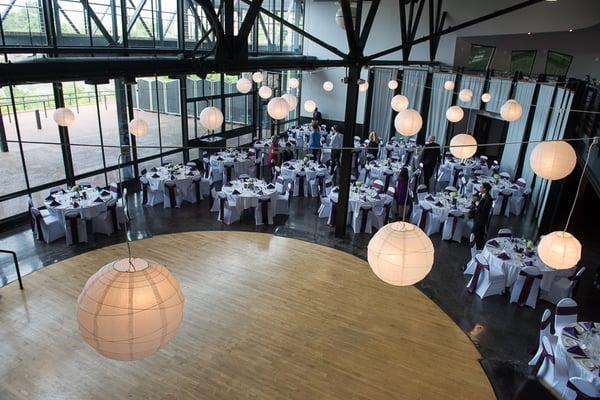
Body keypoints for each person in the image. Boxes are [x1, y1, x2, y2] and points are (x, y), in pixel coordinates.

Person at [470, 182, 493, 249]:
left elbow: (483, 210)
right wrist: (473, 201)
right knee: (479, 233)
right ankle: (478, 243)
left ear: (484, 189)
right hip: (477, 216)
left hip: (481, 219)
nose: (480, 188)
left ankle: (476, 246)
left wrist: (477, 203)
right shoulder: (481, 195)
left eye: (481, 187)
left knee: (473, 233)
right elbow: (476, 204)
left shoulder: (489, 199)